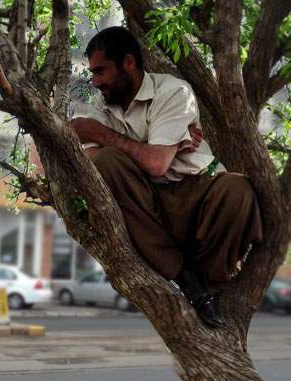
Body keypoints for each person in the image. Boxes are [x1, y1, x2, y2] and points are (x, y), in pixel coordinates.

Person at [70, 26, 263, 328]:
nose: (96, 82)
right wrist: (149, 148)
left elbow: (157, 164)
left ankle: (209, 284)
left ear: (129, 63)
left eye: (101, 71)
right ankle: (186, 276)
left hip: (196, 192)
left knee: (238, 189)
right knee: (108, 162)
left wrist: (99, 134)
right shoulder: (100, 108)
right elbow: (94, 161)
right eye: (93, 74)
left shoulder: (173, 91)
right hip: (146, 205)